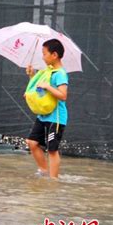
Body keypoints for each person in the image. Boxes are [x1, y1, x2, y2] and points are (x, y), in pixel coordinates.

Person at [25, 39, 68, 179]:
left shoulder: (60, 73)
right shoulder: (46, 72)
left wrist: (48, 87)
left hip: (55, 118)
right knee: (32, 142)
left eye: (44, 54)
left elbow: (63, 95)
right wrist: (32, 75)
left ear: (54, 55)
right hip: (43, 115)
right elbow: (39, 91)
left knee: (52, 150)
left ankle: (54, 180)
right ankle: (44, 171)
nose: (43, 57)